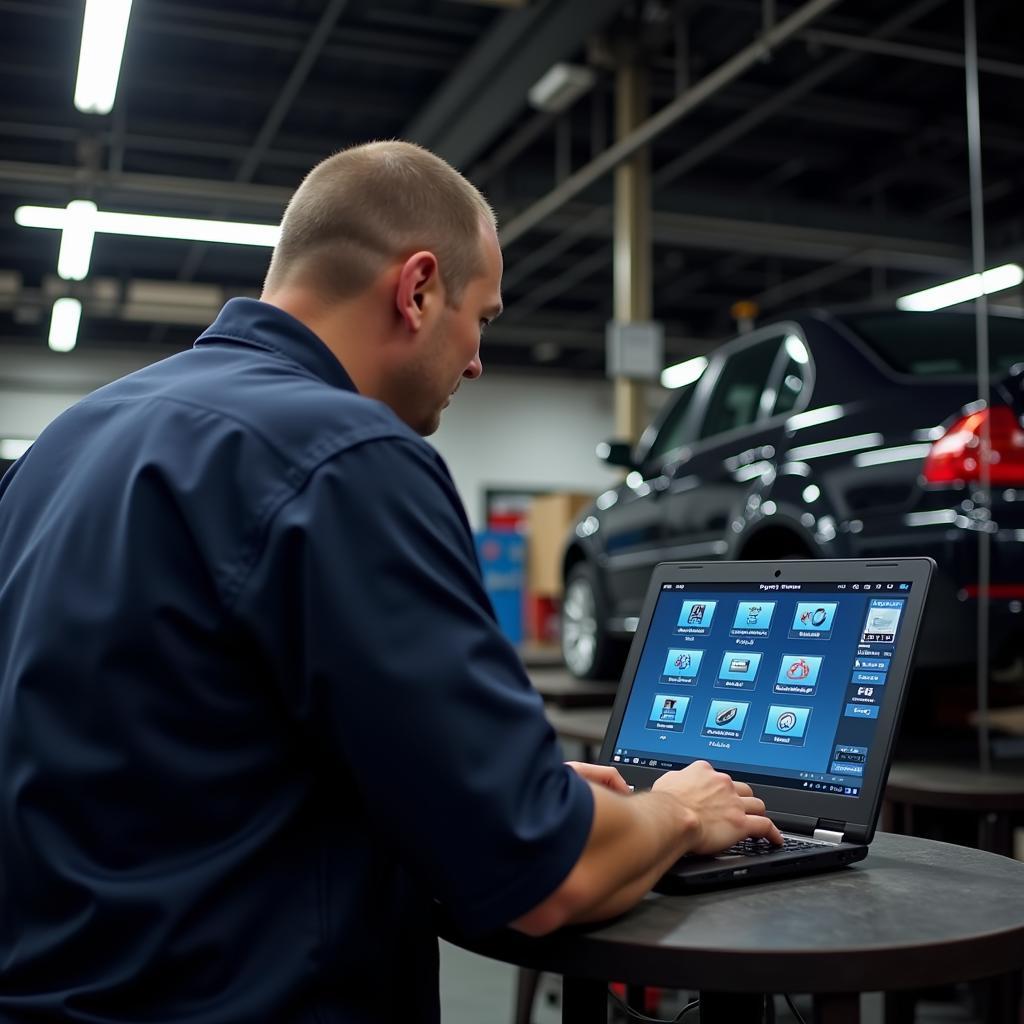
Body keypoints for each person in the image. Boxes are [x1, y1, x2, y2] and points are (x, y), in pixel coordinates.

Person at [0, 140, 780, 1023]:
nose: (479, 360)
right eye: (481, 318)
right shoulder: (351, 458)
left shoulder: (65, 444)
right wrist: (675, 812)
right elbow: (545, 877)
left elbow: (175, 746)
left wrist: (481, 779)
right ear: (417, 290)